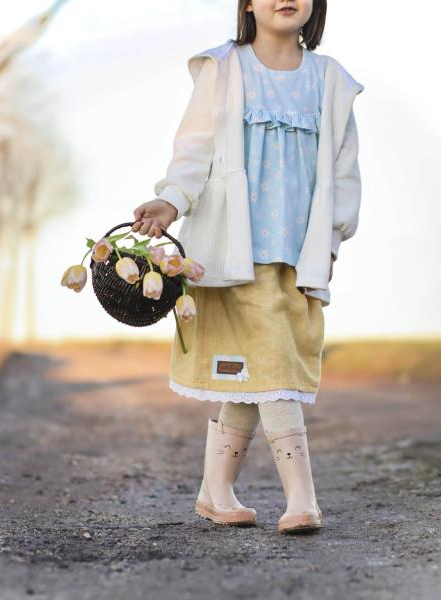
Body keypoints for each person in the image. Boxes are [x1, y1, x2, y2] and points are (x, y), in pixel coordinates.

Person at [132, 0, 365, 534]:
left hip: (297, 256)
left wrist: (332, 238)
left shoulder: (330, 81)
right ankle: (301, 496)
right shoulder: (224, 69)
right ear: (249, 4)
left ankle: (215, 490)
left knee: (251, 371)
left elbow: (344, 170)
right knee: (275, 367)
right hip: (234, 255)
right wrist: (171, 201)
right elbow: (194, 151)